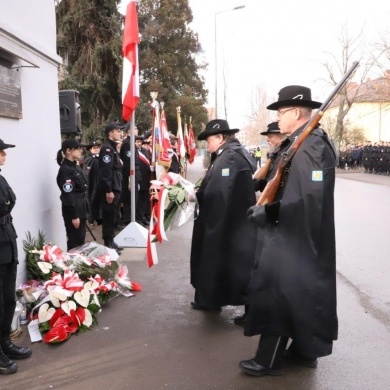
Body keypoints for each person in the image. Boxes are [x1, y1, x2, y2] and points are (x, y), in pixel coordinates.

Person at [240, 85, 338, 377]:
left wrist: (269, 211)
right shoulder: (301, 142)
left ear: (295, 113)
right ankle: (306, 351)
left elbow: (308, 196)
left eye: (281, 113)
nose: (278, 119)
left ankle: (268, 361)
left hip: (293, 235)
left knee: (279, 294)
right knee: (302, 294)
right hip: (295, 233)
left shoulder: (311, 145)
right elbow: (285, 182)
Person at [190, 119, 257, 315]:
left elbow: (219, 192)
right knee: (220, 263)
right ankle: (209, 299)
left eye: (209, 140)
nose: (207, 144)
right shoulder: (231, 153)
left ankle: (215, 301)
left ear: (220, 137)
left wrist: (194, 195)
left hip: (225, 222)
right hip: (231, 221)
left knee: (222, 263)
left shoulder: (229, 157)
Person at [0, 139, 32, 375]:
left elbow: (9, 202)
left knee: (8, 300)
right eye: (1, 152)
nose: (4, 155)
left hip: (7, 243)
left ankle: (4, 343)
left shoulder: (0, 178)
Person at [56, 139, 88, 251]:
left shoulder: (75, 167)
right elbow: (68, 195)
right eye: (78, 149)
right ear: (69, 151)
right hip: (73, 210)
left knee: (80, 240)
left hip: (81, 207)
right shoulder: (66, 170)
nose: (80, 151)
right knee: (75, 242)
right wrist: (74, 215)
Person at [99, 123, 123, 252]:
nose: (119, 133)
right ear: (110, 133)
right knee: (109, 216)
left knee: (114, 215)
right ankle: (108, 243)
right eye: (117, 131)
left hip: (116, 187)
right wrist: (108, 190)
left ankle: (112, 240)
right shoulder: (107, 149)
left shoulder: (113, 148)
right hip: (111, 189)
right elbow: (105, 172)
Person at [119, 124, 141, 226]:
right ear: (128, 131)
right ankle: (129, 221)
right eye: (135, 128)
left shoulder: (131, 142)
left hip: (134, 174)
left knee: (134, 199)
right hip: (129, 175)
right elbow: (128, 163)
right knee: (129, 199)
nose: (137, 130)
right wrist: (129, 179)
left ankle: (133, 220)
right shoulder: (128, 144)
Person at [83, 141, 102, 225]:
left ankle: (100, 217)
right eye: (94, 148)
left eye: (97, 147)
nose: (96, 149)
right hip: (92, 182)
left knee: (100, 199)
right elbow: (86, 172)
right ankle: (91, 217)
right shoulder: (88, 159)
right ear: (90, 150)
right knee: (92, 198)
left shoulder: (101, 158)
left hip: (100, 182)